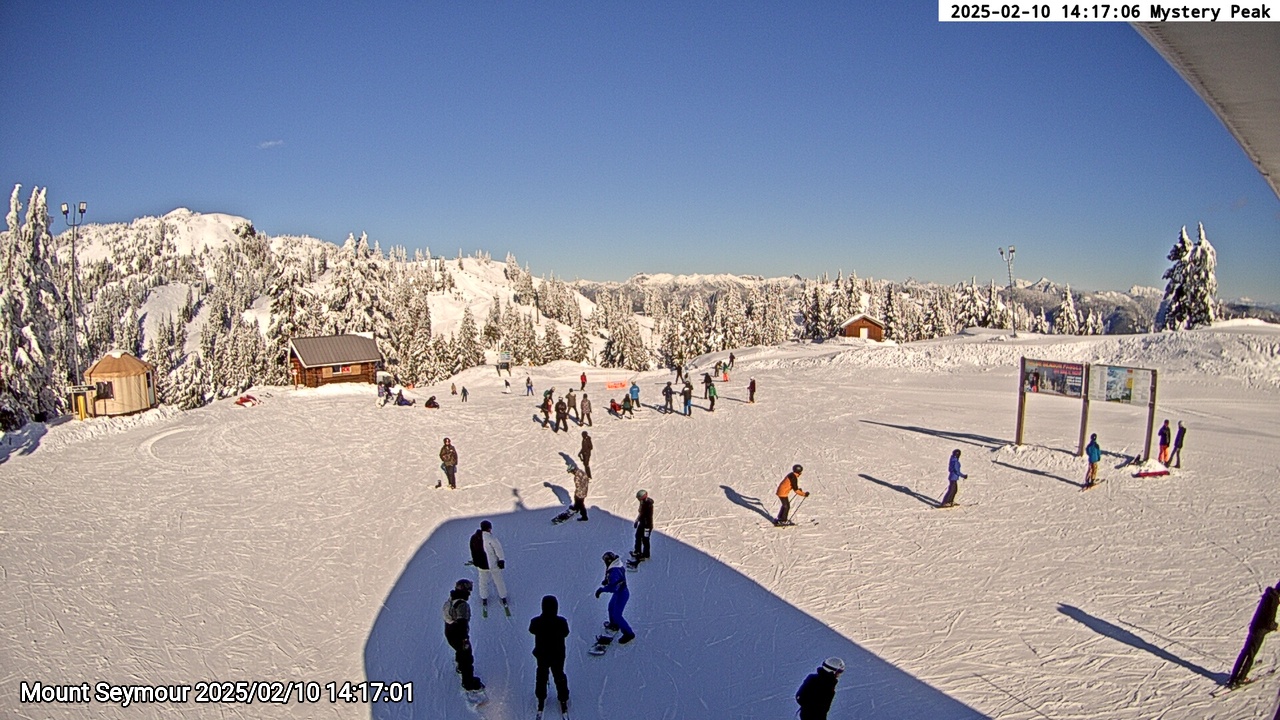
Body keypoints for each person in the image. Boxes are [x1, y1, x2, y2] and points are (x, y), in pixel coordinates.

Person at [1227, 581, 1280, 688]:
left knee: (1245, 652)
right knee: (1250, 655)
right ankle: (1240, 679)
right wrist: (1276, 626)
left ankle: (1234, 677)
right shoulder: (1274, 601)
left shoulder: (1270, 595)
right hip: (1259, 630)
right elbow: (1269, 622)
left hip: (1255, 626)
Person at [529, 595, 570, 717]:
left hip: (542, 655)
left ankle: (541, 699)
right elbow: (566, 633)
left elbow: (531, 630)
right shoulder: (561, 622)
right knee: (559, 676)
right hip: (558, 655)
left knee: (541, 676)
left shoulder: (536, 622)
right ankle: (563, 699)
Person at [443, 579, 485, 692]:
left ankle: (460, 667)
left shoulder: (452, 599)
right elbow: (462, 624)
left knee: (460, 651)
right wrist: (465, 639)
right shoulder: (462, 605)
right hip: (459, 635)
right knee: (467, 657)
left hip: (449, 632)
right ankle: (469, 683)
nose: (470, 593)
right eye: (468, 590)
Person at [469, 521, 509, 617]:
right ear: (489, 528)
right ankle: (503, 596)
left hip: (482, 565)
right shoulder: (491, 538)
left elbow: (472, 551)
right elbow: (498, 549)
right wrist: (501, 560)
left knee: (483, 582)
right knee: (498, 580)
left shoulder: (474, 538)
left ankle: (484, 597)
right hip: (493, 565)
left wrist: (475, 561)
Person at [596, 552, 635, 644]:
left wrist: (601, 590)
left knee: (617, 615)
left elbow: (613, 588)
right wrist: (607, 580)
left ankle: (629, 633)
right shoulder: (616, 565)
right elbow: (615, 578)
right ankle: (614, 624)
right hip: (620, 592)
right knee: (611, 607)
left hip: (621, 594)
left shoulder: (614, 572)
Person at [632, 490, 653, 562]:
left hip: (647, 526)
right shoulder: (643, 502)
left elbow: (645, 515)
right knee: (638, 536)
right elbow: (641, 513)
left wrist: (646, 527)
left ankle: (646, 555)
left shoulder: (648, 505)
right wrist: (637, 520)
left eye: (639, 498)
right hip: (642, 524)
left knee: (645, 539)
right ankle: (637, 551)